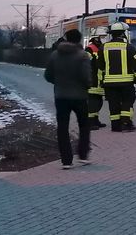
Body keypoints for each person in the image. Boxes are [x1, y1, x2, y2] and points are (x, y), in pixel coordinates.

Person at [44, 29, 92, 169]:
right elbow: (86, 77)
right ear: (79, 40)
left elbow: (48, 75)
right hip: (80, 97)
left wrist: (59, 83)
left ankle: (66, 161)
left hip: (61, 96)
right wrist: (87, 85)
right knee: (84, 125)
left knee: (62, 128)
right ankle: (83, 156)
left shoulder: (55, 55)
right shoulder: (83, 55)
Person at [96, 22, 136, 132]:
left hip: (109, 83)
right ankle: (126, 123)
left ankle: (115, 125)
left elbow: (100, 66)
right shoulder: (130, 48)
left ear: (112, 34)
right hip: (126, 83)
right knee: (128, 101)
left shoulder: (103, 48)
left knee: (113, 103)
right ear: (123, 34)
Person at [85, 36, 107, 130]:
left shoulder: (100, 49)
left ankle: (95, 120)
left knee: (98, 101)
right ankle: (90, 122)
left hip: (99, 79)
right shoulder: (89, 49)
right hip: (93, 79)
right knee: (93, 102)